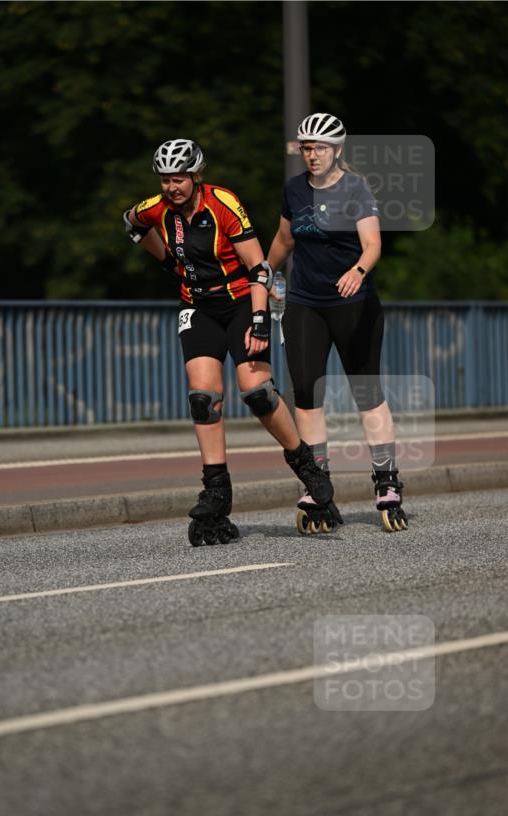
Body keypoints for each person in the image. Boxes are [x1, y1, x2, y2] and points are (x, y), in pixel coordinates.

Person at [123, 138, 342, 545]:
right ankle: (216, 493)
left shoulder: (222, 203)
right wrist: (169, 262)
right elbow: (132, 223)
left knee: (257, 393)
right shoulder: (158, 208)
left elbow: (259, 268)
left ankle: (307, 466)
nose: (172, 187)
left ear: (196, 176)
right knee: (203, 400)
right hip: (199, 308)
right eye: (166, 179)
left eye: (179, 179)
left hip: (241, 302)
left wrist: (259, 321)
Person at [267, 113, 408, 532]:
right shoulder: (294, 189)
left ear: (337, 150)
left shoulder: (356, 188)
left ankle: (387, 482)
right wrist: (263, 273)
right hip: (305, 303)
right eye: (307, 148)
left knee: (367, 392)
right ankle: (317, 484)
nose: (313, 155)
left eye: (321, 148)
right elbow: (285, 240)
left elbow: (373, 244)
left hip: (353, 302)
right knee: (307, 396)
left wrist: (359, 271)